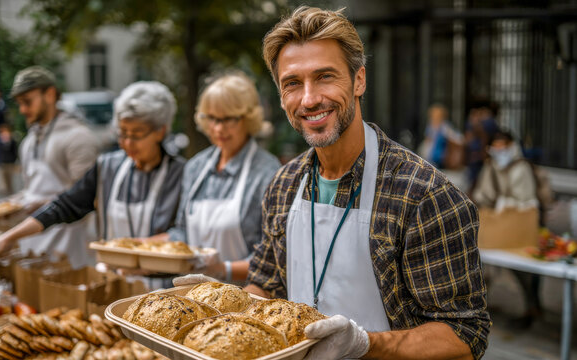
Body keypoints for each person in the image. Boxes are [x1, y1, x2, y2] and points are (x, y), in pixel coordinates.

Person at [180, 7, 490, 360]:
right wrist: (217, 303)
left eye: (325, 76)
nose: (309, 99)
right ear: (281, 97)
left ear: (359, 80)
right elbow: (266, 286)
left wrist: (364, 344)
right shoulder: (283, 185)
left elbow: (465, 335)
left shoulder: (423, 194)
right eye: (292, 83)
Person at [0, 82, 185, 267]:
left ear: (161, 131)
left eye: (136, 134)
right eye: (123, 133)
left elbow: (184, 235)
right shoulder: (108, 167)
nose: (127, 143)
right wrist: (9, 237)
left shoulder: (182, 174)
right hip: (115, 283)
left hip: (165, 291)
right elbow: (65, 205)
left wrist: (136, 249)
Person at [149, 72, 281, 283]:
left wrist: (223, 269)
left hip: (246, 300)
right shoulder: (196, 167)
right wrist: (142, 248)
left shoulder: (267, 172)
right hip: (192, 298)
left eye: (228, 119)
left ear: (247, 118)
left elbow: (273, 258)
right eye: (212, 118)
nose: (219, 128)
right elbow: (182, 234)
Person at [0, 66, 101, 268]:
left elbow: (84, 198)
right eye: (20, 103)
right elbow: (30, 191)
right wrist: (5, 206)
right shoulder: (29, 141)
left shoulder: (78, 137)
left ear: (50, 94)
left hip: (66, 245)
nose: (22, 110)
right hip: (30, 239)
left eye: (27, 102)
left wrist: (33, 205)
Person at [472, 130, 541, 328]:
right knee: (482, 266)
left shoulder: (522, 168)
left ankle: (532, 307)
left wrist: (503, 203)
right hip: (496, 225)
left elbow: (525, 200)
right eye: (497, 147)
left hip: (519, 227)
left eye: (504, 147)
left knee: (523, 269)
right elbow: (482, 193)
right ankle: (477, 310)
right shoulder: (490, 166)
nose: (500, 152)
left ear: (511, 146)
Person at [417, 104, 464, 170]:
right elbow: (428, 139)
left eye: (437, 116)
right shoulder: (430, 126)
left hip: (439, 158)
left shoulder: (444, 127)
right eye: (433, 116)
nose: (434, 118)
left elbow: (459, 138)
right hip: (428, 157)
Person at [0, 123, 18, 196]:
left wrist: (14, 161)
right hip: (2, 163)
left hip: (10, 163)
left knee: (9, 180)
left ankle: (10, 192)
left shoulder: (12, 141)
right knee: (2, 179)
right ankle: (3, 190)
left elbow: (14, 152)